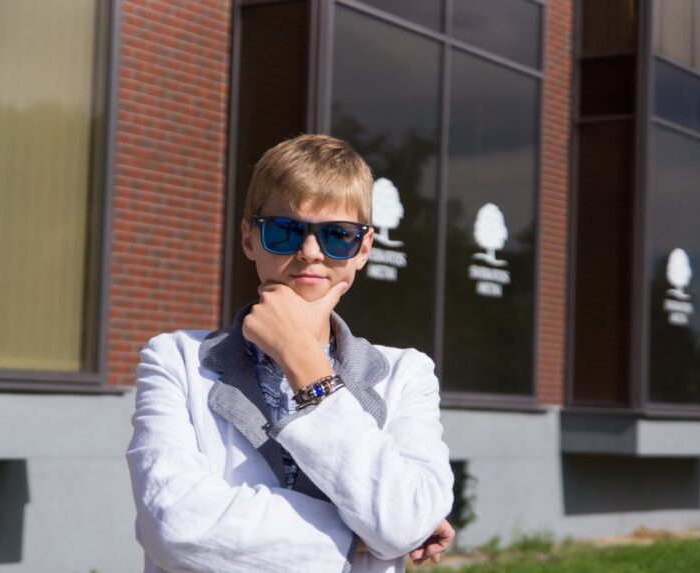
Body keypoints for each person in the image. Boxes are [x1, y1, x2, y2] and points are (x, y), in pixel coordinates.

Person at [127, 134, 455, 573]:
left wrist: (305, 363)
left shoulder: (406, 373)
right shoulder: (176, 361)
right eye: (284, 231)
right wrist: (356, 535)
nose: (310, 253)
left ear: (363, 249)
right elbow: (175, 528)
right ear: (249, 239)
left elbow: (407, 520)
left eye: (337, 235)